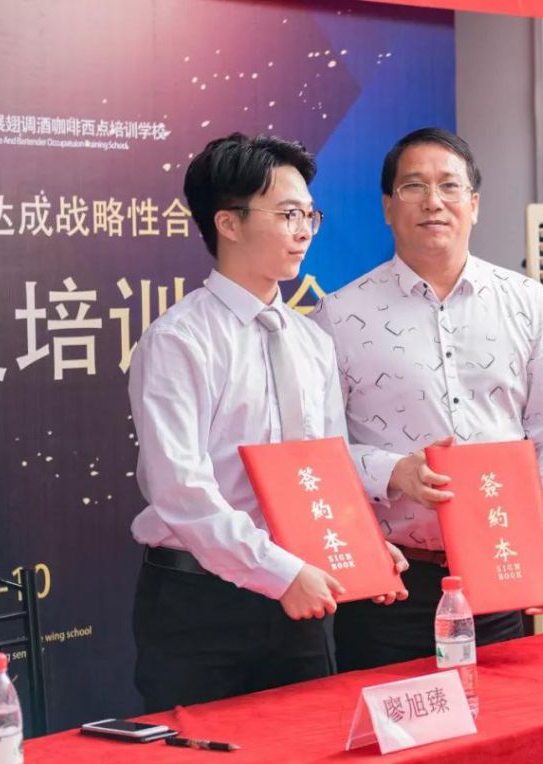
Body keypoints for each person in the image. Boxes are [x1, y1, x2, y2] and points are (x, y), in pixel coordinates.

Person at [129, 132, 423, 712]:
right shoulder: (179, 341)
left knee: (309, 740)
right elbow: (181, 491)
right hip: (200, 603)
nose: (304, 230)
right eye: (288, 214)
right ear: (228, 223)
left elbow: (325, 469)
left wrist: (364, 546)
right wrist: (279, 572)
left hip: (300, 597)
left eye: (310, 215)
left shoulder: (311, 341)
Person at [313, 127, 543, 670]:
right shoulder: (339, 316)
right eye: (414, 186)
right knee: (394, 723)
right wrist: (394, 471)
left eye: (449, 185)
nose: (433, 201)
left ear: (475, 204)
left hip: (503, 566)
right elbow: (318, 453)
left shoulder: (526, 303)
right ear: (388, 207)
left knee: (506, 720)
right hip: (389, 583)